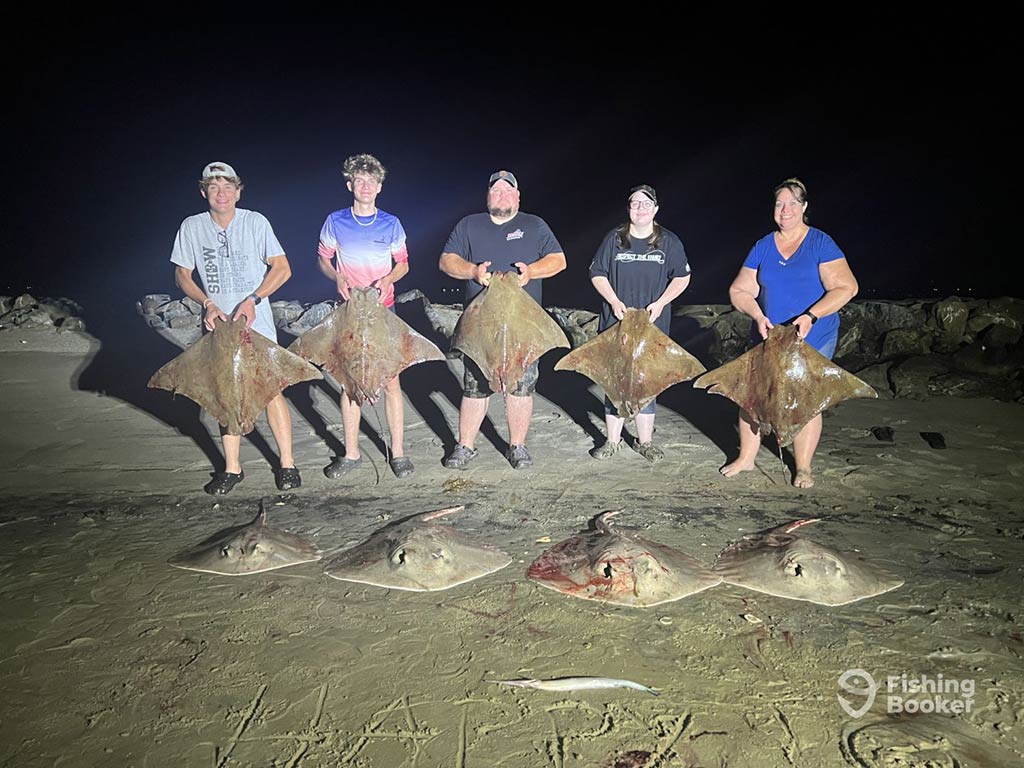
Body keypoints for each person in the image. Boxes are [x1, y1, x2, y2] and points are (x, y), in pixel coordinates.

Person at [170, 161, 299, 494]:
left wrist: (254, 299)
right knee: (225, 395)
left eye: (228, 187)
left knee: (270, 391)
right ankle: (232, 468)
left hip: (257, 324)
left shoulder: (255, 222)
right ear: (204, 193)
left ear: (239, 192)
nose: (221, 193)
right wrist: (207, 303)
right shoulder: (191, 226)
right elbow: (182, 274)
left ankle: (287, 464)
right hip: (218, 327)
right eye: (213, 187)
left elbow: (282, 268)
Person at [722, 177, 859, 488]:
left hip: (811, 336)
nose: (785, 210)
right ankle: (746, 458)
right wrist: (758, 315)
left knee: (805, 399)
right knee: (751, 394)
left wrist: (811, 316)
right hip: (769, 337)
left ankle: (804, 467)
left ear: (804, 207)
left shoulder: (820, 243)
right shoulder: (763, 246)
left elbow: (847, 287)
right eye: (779, 204)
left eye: (792, 204)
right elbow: (739, 290)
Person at [438, 170, 567, 470]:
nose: (502, 195)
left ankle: (517, 446)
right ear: (487, 196)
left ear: (518, 196)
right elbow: (446, 261)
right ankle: (465, 445)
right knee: (475, 386)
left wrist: (531, 272)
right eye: (496, 190)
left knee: (521, 387)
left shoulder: (534, 225)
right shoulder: (469, 225)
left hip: (524, 326)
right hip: (480, 326)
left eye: (508, 190)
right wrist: (473, 272)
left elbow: (559, 260)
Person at [317, 153, 414, 479]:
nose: (366, 186)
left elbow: (403, 264)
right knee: (350, 381)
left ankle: (398, 453)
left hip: (383, 309)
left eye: (372, 181)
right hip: (349, 311)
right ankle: (351, 453)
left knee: (391, 380)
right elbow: (323, 259)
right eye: (359, 181)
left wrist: (388, 279)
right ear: (350, 185)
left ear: (380, 187)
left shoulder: (391, 223)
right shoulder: (335, 221)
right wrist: (336, 277)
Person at [589, 184, 691, 462]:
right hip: (616, 323)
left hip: (652, 325)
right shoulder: (614, 238)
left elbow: (682, 277)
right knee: (615, 380)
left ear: (656, 209)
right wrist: (613, 301)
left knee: (647, 381)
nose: (641, 208)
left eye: (646, 204)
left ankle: (645, 441)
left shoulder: (668, 241)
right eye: (635, 203)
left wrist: (661, 302)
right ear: (628, 208)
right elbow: (597, 272)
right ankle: (612, 441)